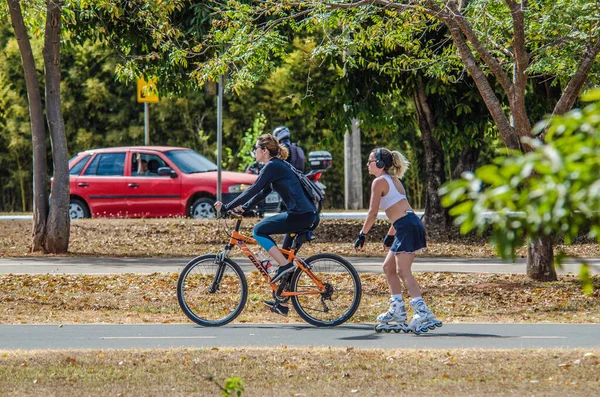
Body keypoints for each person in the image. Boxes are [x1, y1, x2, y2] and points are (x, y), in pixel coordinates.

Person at [214, 134, 318, 313]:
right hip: (305, 214)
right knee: (283, 261)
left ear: (264, 151)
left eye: (256, 149)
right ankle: (282, 303)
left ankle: (285, 267)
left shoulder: (272, 166)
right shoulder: (277, 166)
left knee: (259, 230)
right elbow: (262, 193)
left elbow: (254, 188)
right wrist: (244, 207)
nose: (254, 152)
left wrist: (227, 206)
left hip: (300, 215)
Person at [353, 147, 441, 333]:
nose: (367, 165)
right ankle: (397, 310)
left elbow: (373, 213)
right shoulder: (394, 181)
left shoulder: (379, 182)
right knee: (388, 267)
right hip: (406, 225)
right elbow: (401, 210)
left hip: (408, 227)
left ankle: (422, 311)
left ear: (379, 164)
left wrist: (363, 234)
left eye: (369, 161)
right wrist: (390, 235)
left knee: (403, 271)